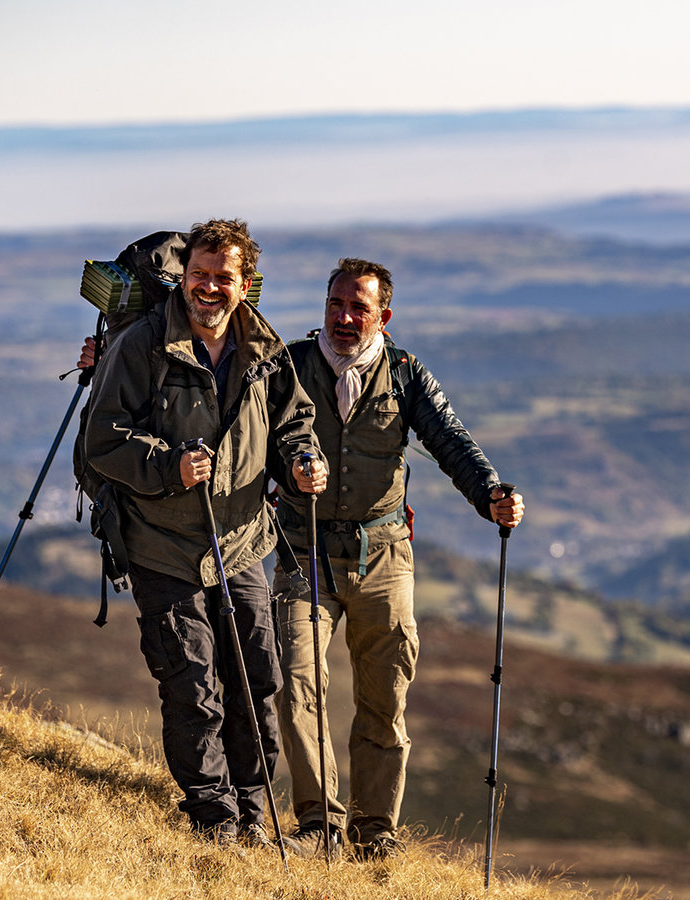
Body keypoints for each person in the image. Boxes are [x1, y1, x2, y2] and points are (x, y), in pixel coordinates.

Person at [82, 219, 328, 848]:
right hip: (163, 547)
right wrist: (168, 466)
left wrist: (302, 460)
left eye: (224, 278)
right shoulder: (140, 346)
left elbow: (291, 422)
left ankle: (254, 807)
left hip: (241, 544)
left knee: (254, 679)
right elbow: (102, 442)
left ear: (246, 284)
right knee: (192, 684)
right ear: (184, 277)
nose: (209, 289)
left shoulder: (263, 349)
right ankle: (214, 817)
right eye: (199, 276)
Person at [270, 258, 524, 860]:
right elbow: (260, 435)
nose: (344, 317)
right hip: (302, 550)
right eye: (336, 304)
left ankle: (374, 830)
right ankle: (319, 825)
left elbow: (450, 440)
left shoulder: (405, 373)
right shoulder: (290, 367)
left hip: (384, 555)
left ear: (383, 315)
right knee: (294, 682)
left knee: (385, 693)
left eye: (359, 307)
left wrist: (490, 493)